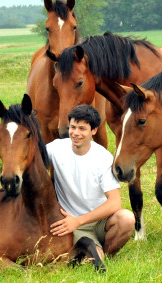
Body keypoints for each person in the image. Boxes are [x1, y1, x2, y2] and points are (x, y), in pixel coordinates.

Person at [47, 104, 135, 271]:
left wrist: (79, 220)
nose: (75, 133)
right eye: (72, 127)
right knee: (91, 262)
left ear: (94, 131)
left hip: (97, 219)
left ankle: (104, 254)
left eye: (82, 128)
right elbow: (32, 157)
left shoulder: (102, 157)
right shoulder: (56, 148)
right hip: (71, 222)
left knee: (127, 218)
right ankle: (95, 253)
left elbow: (115, 203)